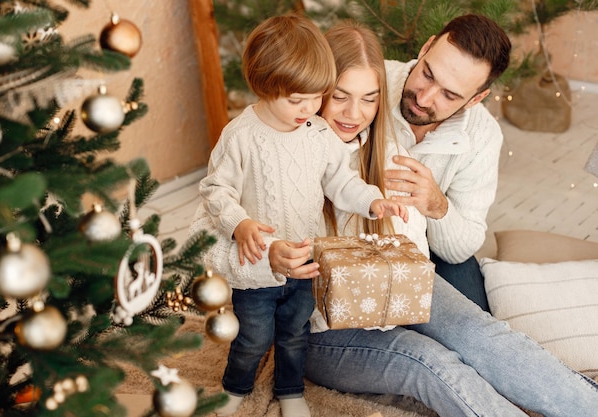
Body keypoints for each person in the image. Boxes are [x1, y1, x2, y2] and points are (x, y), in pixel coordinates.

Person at [193, 17, 598, 417]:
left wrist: (431, 206)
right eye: (337, 95)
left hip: (394, 289)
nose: (354, 112)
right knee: (432, 364)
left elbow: (438, 248)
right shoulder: (268, 143)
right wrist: (265, 255)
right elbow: (203, 236)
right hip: (317, 324)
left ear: (476, 98)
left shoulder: (389, 136)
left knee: (479, 335)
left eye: (369, 98)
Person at [196, 13, 407, 417]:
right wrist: (240, 225)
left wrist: (373, 200)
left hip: (305, 265)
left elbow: (340, 181)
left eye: (316, 97)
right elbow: (215, 190)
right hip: (258, 266)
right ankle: (235, 387)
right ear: (264, 84)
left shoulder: (318, 133)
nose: (310, 108)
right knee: (253, 338)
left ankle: (291, 391)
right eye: (297, 100)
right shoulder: (240, 136)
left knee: (295, 334)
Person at [382, 14, 514, 311]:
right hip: (356, 237)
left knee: (475, 323)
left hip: (431, 246)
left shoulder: (483, 135)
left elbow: (462, 246)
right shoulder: (369, 83)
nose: (425, 98)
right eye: (428, 74)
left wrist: (437, 206)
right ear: (427, 47)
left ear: (475, 99)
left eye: (449, 95)